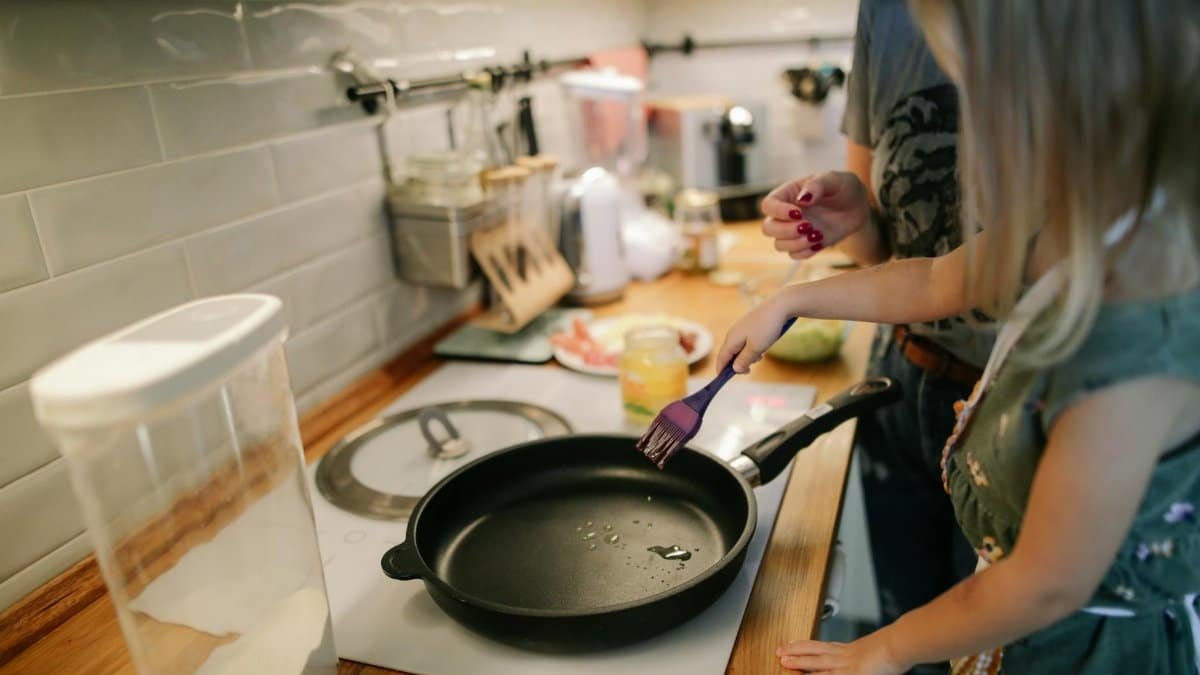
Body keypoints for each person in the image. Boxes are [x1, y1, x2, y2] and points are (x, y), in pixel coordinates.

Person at [722, 0, 1200, 672]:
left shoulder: (1134, 332)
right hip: (1016, 627)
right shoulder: (1080, 220)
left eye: (982, 91)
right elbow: (933, 283)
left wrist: (886, 648)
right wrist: (793, 299)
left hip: (1083, 650)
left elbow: (1045, 581)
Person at [761, 0, 980, 656]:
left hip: (1029, 405)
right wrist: (853, 214)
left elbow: (1045, 584)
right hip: (903, 381)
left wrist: (883, 651)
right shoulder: (887, 13)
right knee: (907, 625)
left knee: (981, 643)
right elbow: (914, 267)